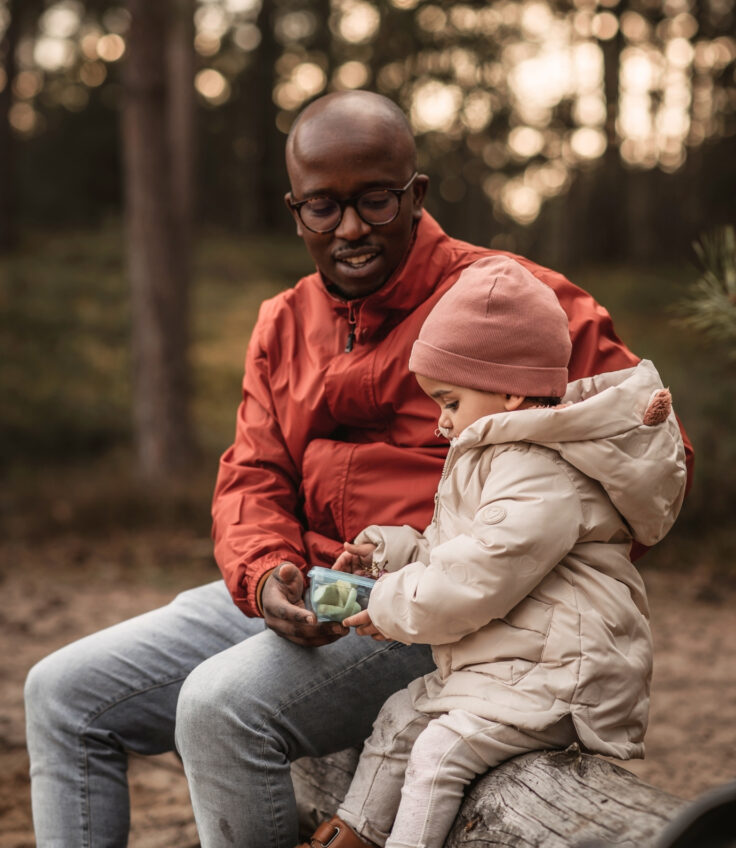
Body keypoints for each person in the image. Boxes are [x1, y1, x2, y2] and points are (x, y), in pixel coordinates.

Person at [23, 91, 694, 848]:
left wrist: (502, 574)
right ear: (295, 209)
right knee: (61, 694)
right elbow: (252, 476)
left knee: (221, 706)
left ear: (416, 194)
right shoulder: (284, 321)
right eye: (323, 207)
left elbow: (643, 449)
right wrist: (267, 571)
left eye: (375, 200)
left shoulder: (513, 300)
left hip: (440, 605)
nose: (350, 228)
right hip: (313, 581)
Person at [297, 256, 687, 848]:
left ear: (508, 388)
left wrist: (387, 601)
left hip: (560, 675)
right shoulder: (500, 453)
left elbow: (482, 574)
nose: (440, 422)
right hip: (504, 667)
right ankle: (351, 834)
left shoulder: (542, 468)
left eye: (449, 401)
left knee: (437, 751)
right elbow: (458, 550)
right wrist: (392, 553)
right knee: (401, 718)